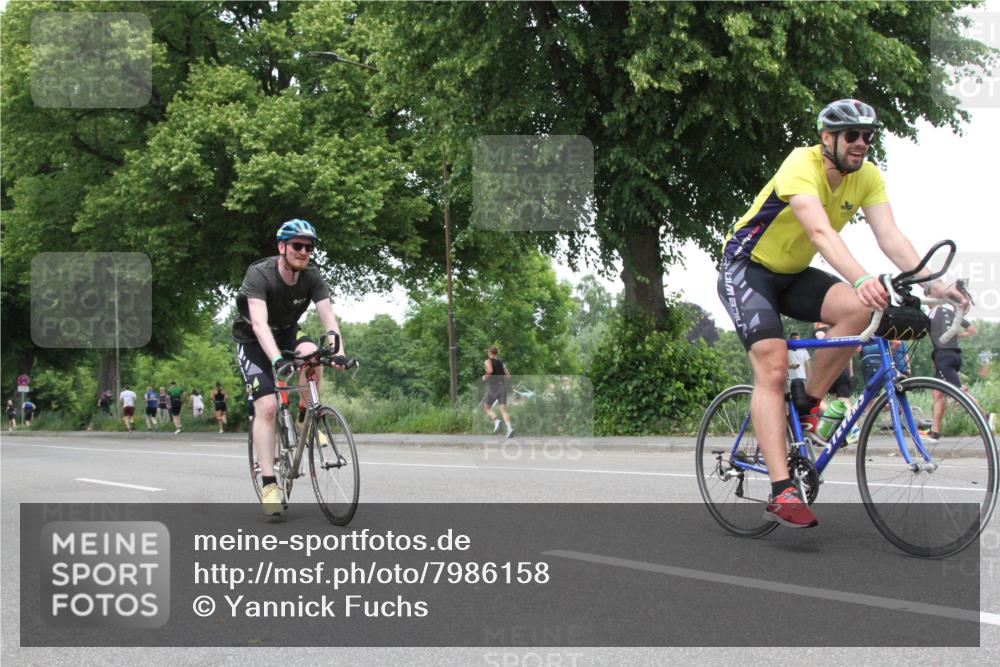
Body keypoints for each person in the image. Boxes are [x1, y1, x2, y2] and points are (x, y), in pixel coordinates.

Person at [716, 99, 967, 528]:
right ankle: (782, 490)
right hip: (747, 268)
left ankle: (808, 403)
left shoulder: (867, 177)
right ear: (827, 138)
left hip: (793, 273)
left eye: (868, 136)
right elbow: (819, 231)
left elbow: (890, 236)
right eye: (852, 135)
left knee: (859, 310)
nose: (862, 143)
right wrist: (860, 277)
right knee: (773, 365)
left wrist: (935, 285)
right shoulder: (801, 163)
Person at [233, 219, 346, 516]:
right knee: (267, 407)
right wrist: (277, 360)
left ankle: (305, 416)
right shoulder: (260, 273)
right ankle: (270, 484)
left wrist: (339, 352)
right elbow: (259, 323)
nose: (304, 252)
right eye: (297, 245)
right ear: (282, 247)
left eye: (309, 247)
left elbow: (328, 318)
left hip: (286, 332)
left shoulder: (312, 275)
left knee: (313, 355)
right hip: (253, 340)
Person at [926, 303, 993, 440]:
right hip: (955, 356)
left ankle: (984, 416)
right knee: (938, 394)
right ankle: (935, 432)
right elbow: (972, 330)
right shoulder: (953, 314)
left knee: (958, 393)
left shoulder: (932, 313)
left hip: (943, 357)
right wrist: (956, 336)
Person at [481, 346, 514, 438]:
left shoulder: (487, 361)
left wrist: (485, 377)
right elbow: (508, 376)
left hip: (494, 387)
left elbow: (490, 371)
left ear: (489, 353)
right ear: (496, 353)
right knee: (504, 410)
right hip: (502, 386)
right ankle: (509, 429)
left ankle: (496, 420)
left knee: (486, 407)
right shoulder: (502, 363)